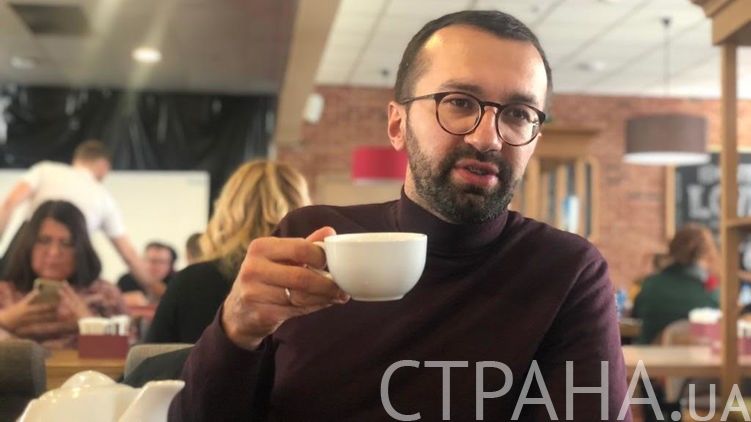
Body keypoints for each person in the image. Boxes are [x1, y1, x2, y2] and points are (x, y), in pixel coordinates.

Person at [170, 10, 630, 421]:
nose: (488, 137)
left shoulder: (564, 272)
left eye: (518, 113)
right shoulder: (313, 241)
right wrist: (236, 329)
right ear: (397, 124)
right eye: (459, 102)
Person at [145, 160, 310, 344]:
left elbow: (149, 358)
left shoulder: (190, 283)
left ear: (225, 209)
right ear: (301, 207)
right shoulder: (315, 288)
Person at [0, 140, 164, 299]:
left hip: (26, 250)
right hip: (70, 265)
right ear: (104, 166)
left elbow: (8, 204)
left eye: (64, 242)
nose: (53, 253)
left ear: (77, 159)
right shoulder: (104, 197)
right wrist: (161, 292)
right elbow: (129, 255)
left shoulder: (45, 170)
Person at [0, 200, 126, 349]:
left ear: (80, 249)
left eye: (66, 243)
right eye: (44, 241)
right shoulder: (5, 292)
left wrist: (87, 322)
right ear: (29, 245)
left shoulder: (104, 294)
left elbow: (130, 354)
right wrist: (6, 320)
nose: (54, 252)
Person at [633, 223, 720, 344]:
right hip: (700, 356)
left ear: (671, 250)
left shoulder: (651, 285)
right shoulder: (713, 293)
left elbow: (636, 315)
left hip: (651, 355)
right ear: (707, 254)